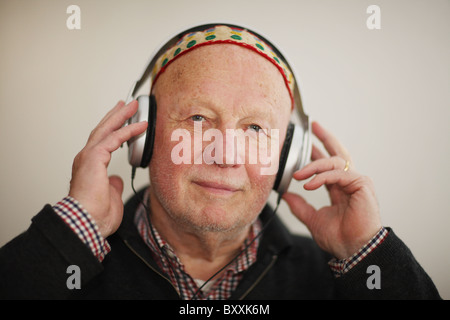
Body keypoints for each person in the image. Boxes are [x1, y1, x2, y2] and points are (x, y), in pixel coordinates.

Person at [0, 24, 441, 300]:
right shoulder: (72, 264)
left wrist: (365, 255)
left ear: (287, 155)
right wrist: (74, 233)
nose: (225, 153)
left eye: (255, 130)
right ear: (145, 133)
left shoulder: (338, 278)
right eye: (197, 118)